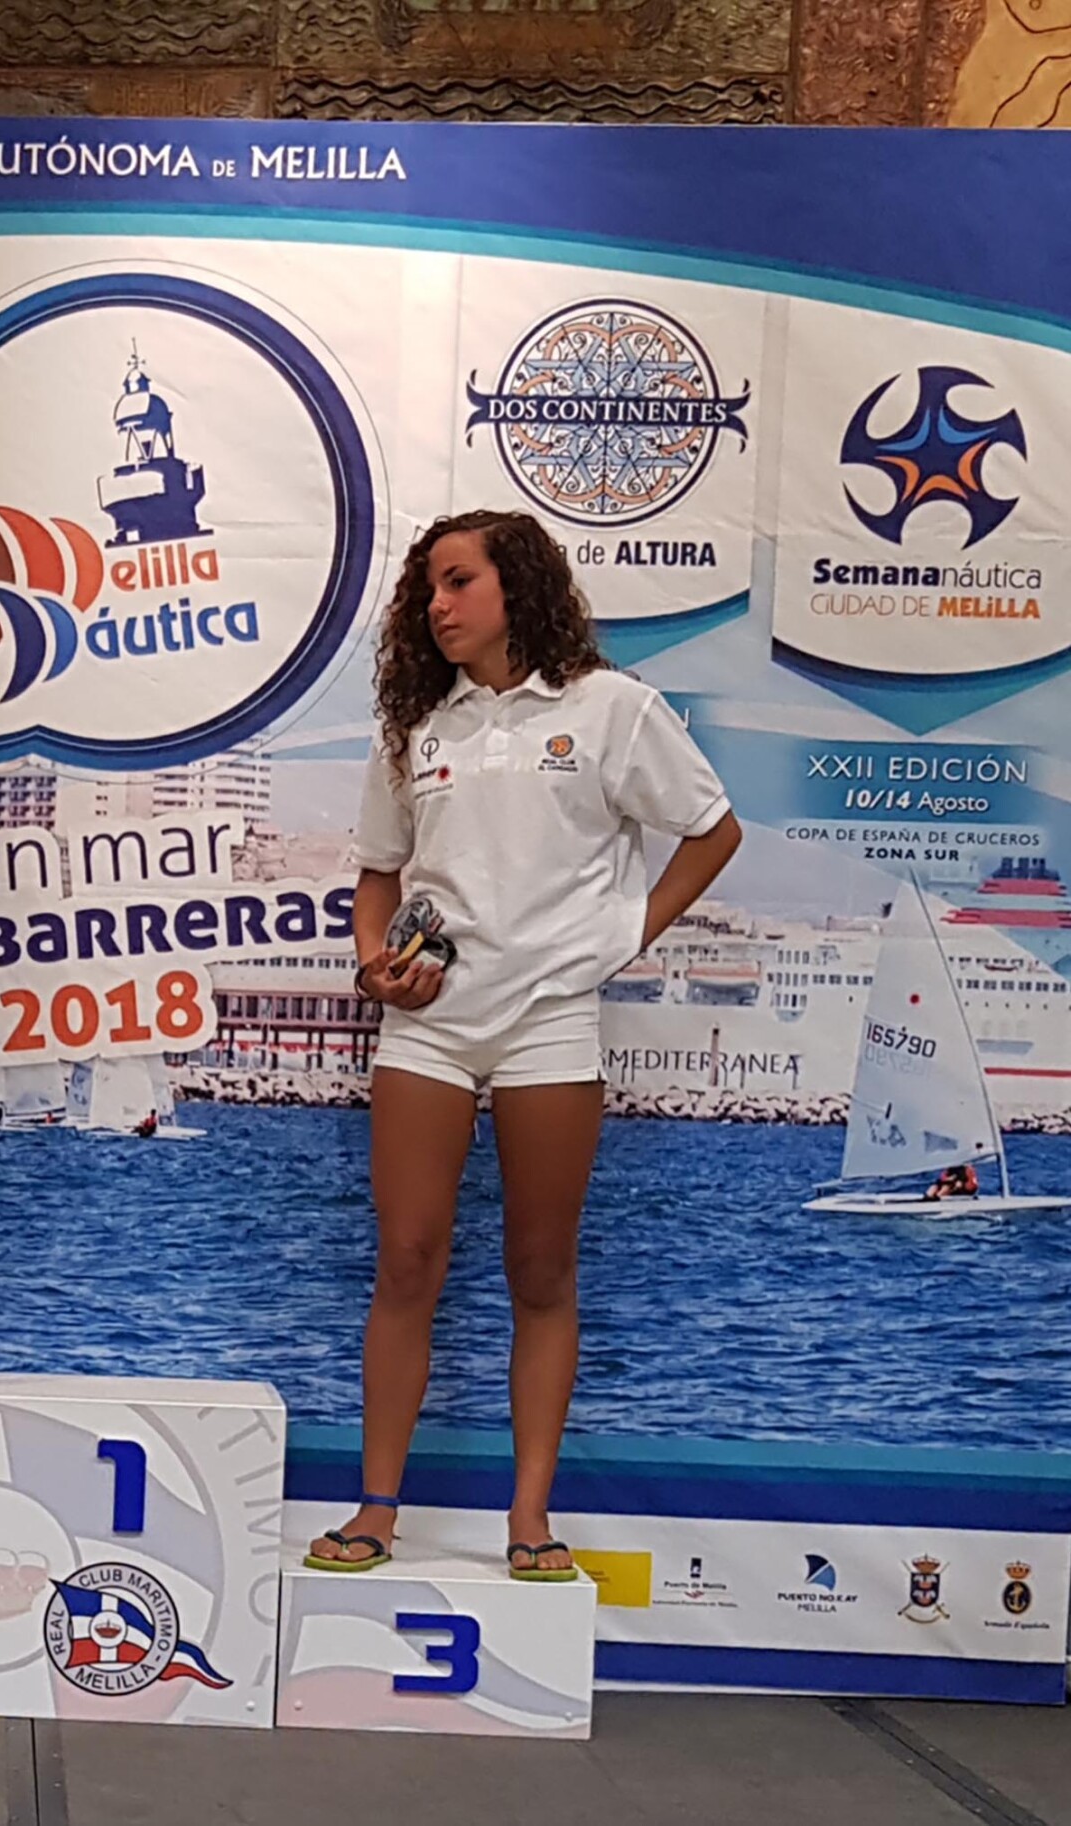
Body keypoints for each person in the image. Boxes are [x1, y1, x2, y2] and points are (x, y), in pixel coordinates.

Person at [306, 509, 742, 1583]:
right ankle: (375, 1507)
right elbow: (378, 875)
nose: (437, 605)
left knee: (540, 1269)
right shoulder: (418, 729)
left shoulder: (611, 709)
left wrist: (627, 933)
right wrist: (373, 962)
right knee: (407, 1258)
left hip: (551, 1019)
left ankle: (530, 1514)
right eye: (426, 590)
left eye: (457, 581)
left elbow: (714, 827)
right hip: (429, 1022)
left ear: (519, 586)